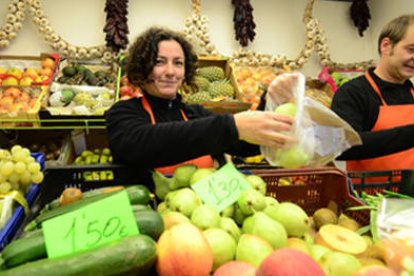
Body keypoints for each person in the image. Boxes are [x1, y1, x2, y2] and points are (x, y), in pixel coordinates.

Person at [105, 27, 296, 186]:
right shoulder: (123, 113)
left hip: (204, 219)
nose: (171, 72)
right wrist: (231, 126)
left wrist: (271, 101)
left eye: (178, 63)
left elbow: (248, 144)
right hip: (152, 220)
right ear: (142, 67)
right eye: (159, 62)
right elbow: (144, 144)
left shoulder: (195, 114)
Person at [331, 14, 414, 171]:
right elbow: (343, 146)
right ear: (386, 46)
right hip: (369, 193)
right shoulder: (353, 93)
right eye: (411, 49)